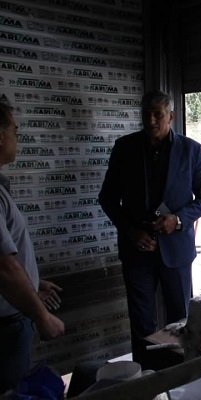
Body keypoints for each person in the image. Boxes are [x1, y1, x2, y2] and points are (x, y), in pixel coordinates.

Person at [98, 91, 201, 368]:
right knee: (141, 322)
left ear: (171, 116)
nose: (151, 120)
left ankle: (179, 376)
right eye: (146, 114)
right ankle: (146, 377)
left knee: (180, 319)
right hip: (136, 249)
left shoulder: (191, 150)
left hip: (176, 248)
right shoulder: (125, 147)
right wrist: (131, 232)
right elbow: (107, 198)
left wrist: (178, 219)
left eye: (158, 115)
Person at [0, 101, 65, 392]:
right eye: (15, 130)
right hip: (6, 328)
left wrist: (33, 282)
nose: (17, 137)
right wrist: (42, 316)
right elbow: (4, 267)